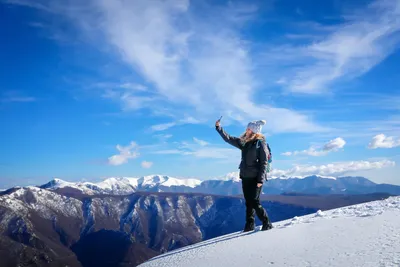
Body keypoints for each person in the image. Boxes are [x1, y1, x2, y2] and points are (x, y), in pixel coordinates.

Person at [215, 118, 273, 232]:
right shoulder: (245, 143)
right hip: (245, 176)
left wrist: (260, 180)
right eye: (247, 128)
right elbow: (229, 139)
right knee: (248, 202)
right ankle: (249, 225)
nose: (246, 130)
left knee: (255, 201)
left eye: (249, 129)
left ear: (253, 131)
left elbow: (263, 163)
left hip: (256, 178)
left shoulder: (260, 144)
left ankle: (267, 222)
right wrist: (219, 128)